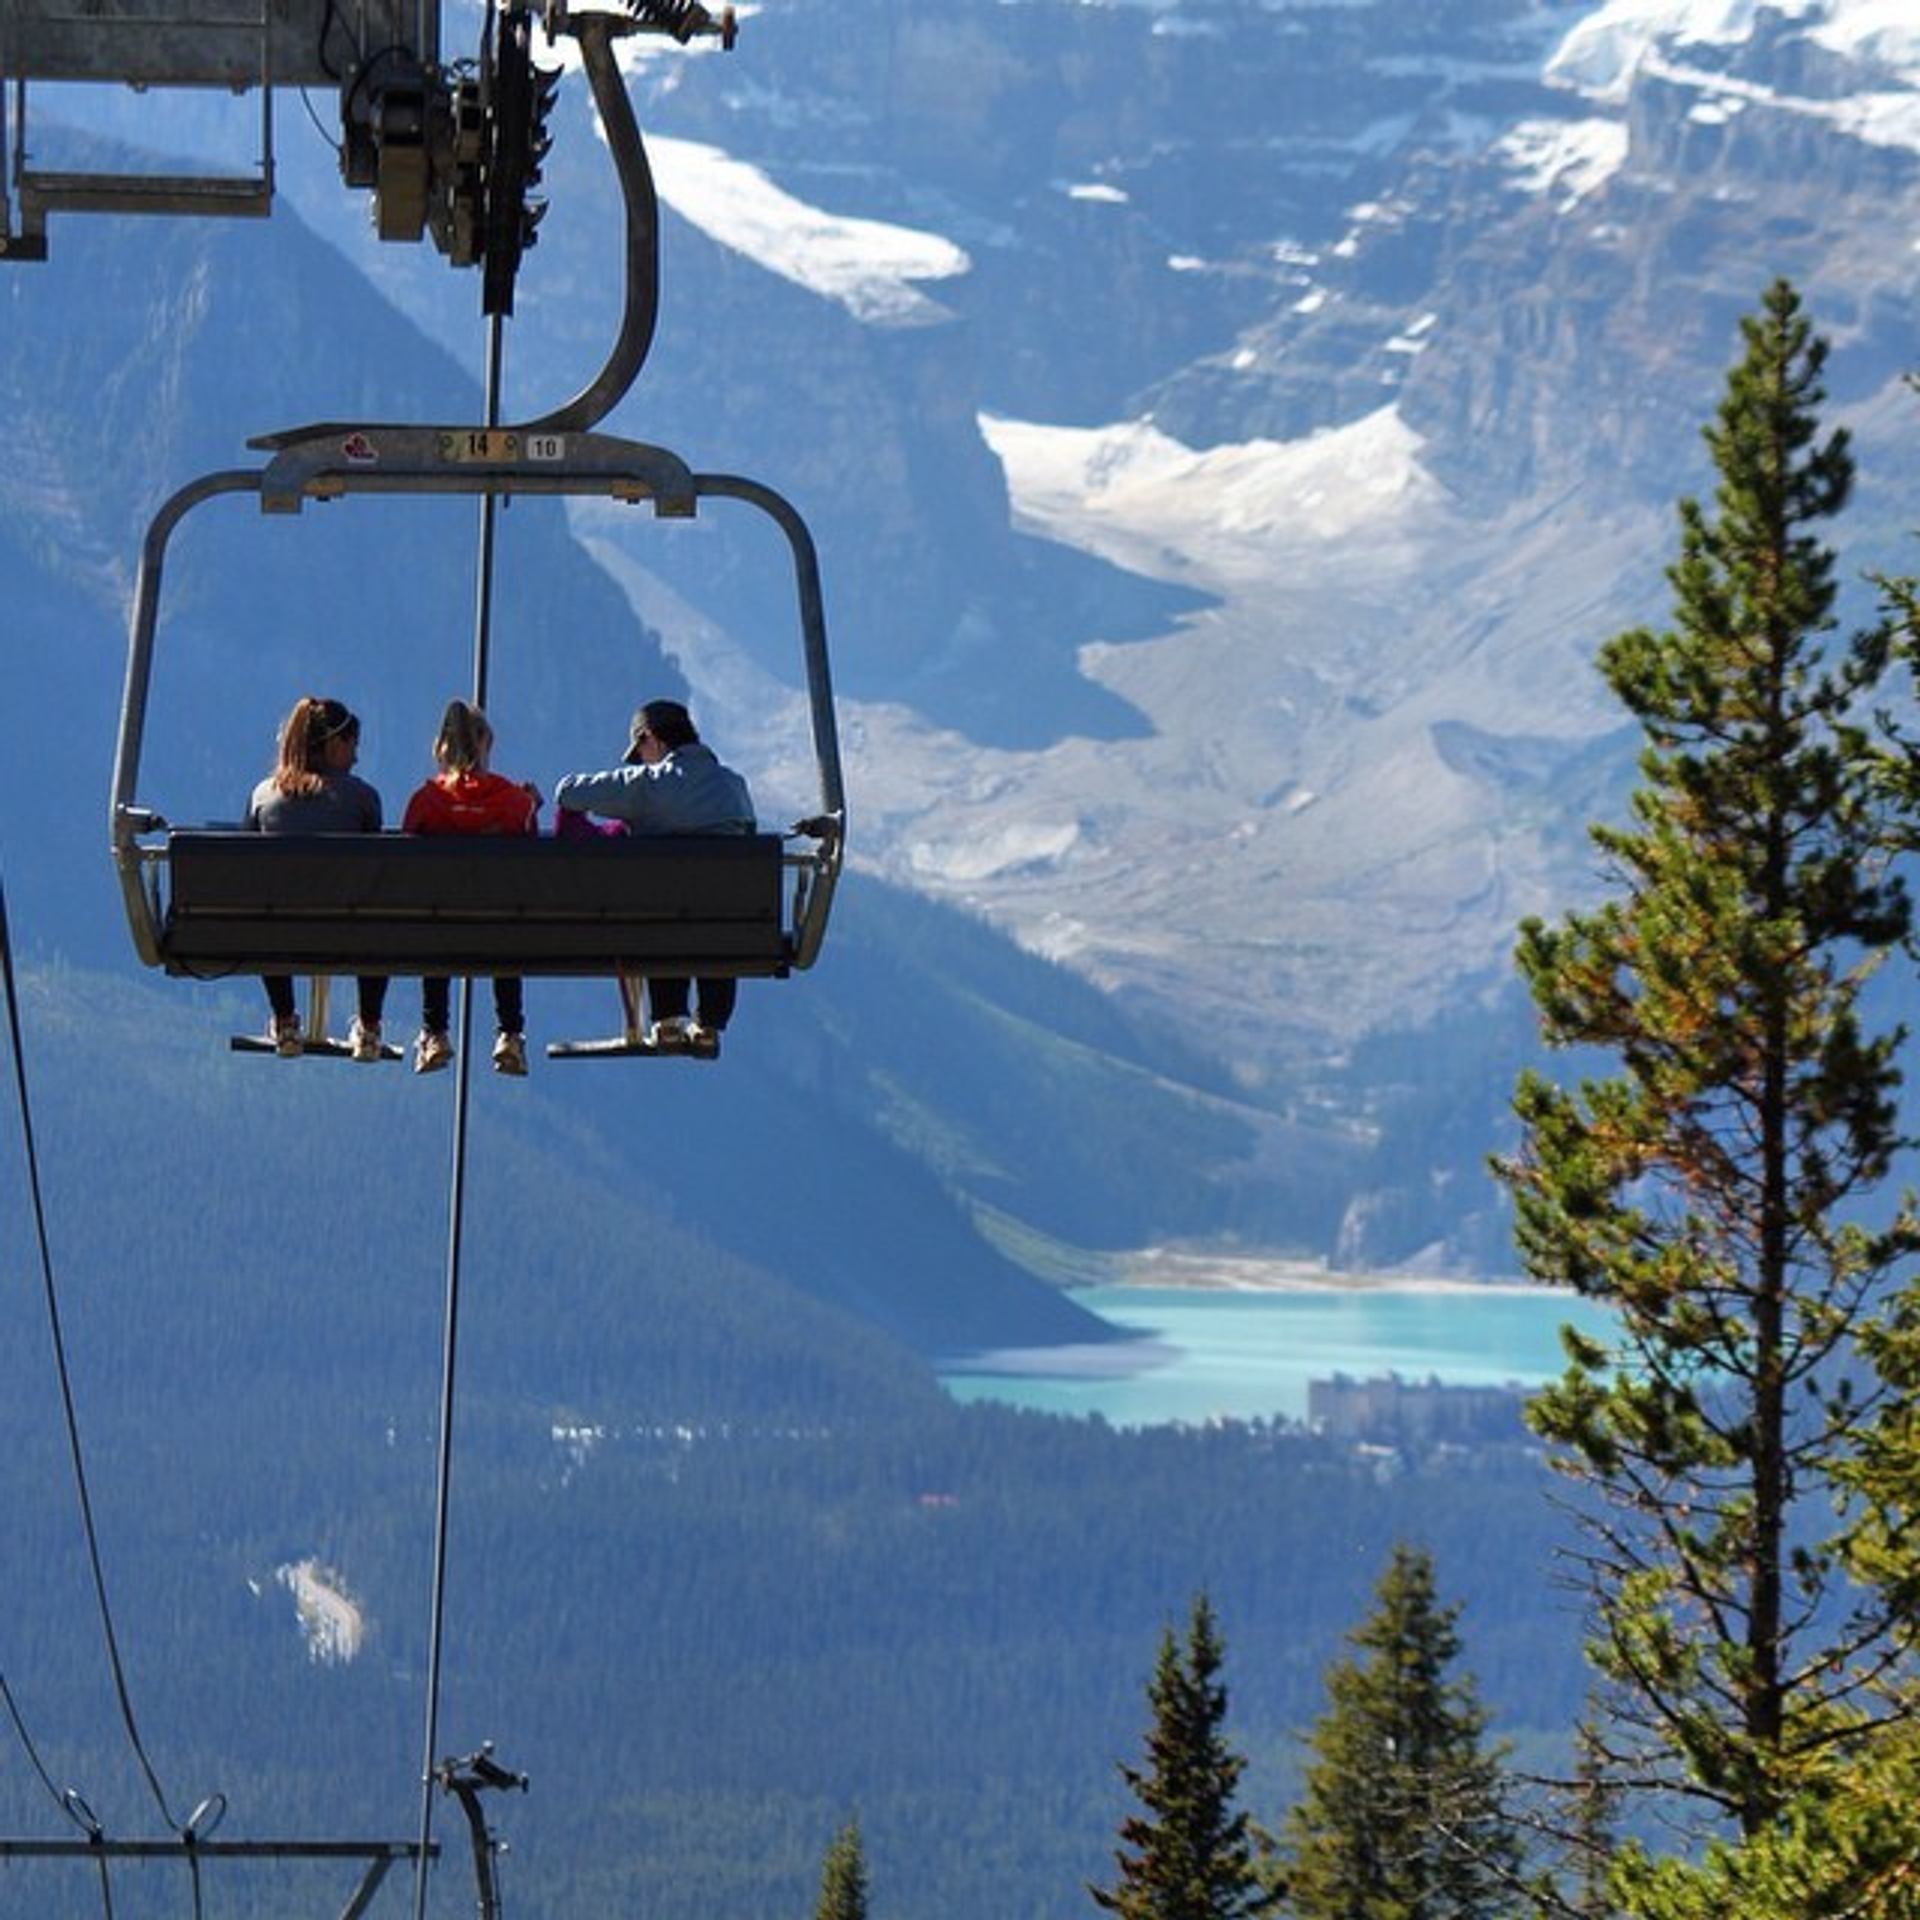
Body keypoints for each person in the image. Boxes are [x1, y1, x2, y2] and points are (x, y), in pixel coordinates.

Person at [552, 698, 756, 1049]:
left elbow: (567, 793)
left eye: (639, 751)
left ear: (652, 739)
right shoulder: (734, 787)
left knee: (664, 907)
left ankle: (666, 1019)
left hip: (664, 926)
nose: (641, 760)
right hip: (730, 929)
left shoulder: (648, 785)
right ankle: (708, 1023)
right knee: (718, 906)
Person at [244, 696, 390, 1061]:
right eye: (352, 746)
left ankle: (284, 1020)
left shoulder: (263, 796)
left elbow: (244, 870)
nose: (355, 758)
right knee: (379, 912)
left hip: (279, 935)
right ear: (333, 744)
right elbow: (377, 872)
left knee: (265, 910)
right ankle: (369, 1028)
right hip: (350, 932)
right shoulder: (362, 799)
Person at [401, 699, 541, 1076]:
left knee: (437, 918)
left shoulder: (426, 800)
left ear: (441, 748)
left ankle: (434, 1032)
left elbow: (405, 855)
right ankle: (510, 1034)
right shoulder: (514, 801)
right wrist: (533, 805)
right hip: (499, 930)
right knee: (503, 920)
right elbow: (529, 845)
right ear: (485, 745)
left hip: (440, 928)